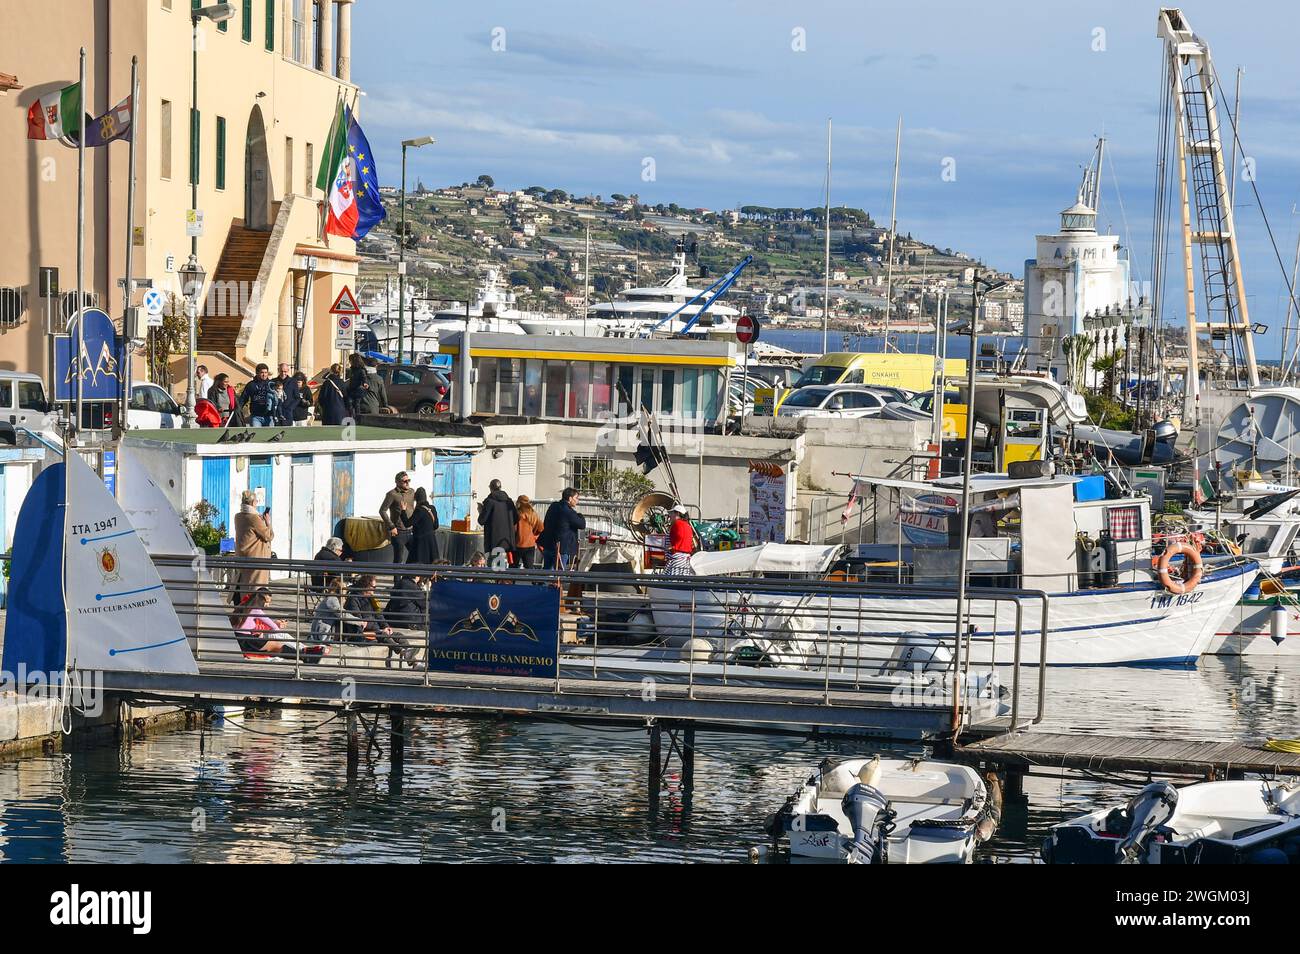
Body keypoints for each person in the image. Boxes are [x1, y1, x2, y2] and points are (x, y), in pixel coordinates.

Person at [345, 575, 417, 668]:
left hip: (375, 630)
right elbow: (360, 622)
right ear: (365, 586)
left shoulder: (370, 598)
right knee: (385, 636)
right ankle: (404, 653)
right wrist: (378, 629)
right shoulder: (353, 599)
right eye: (373, 587)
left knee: (398, 635)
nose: (374, 589)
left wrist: (386, 626)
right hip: (361, 633)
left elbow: (379, 614)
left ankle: (414, 662)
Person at [231, 587, 321, 659]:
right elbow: (274, 627)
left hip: (239, 637)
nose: (268, 605)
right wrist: (277, 626)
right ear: (260, 600)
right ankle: (304, 653)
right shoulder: (256, 610)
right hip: (246, 640)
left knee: (278, 641)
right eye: (266, 602)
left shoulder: (242, 606)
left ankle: (303, 650)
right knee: (279, 641)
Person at [233, 490, 274, 603]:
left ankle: (244, 616)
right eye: (256, 501)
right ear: (252, 503)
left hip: (243, 558)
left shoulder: (238, 516)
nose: (257, 503)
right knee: (256, 592)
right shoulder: (254, 518)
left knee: (245, 589)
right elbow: (268, 536)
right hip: (256, 560)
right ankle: (253, 617)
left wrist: (259, 520)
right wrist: (267, 522)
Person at [538, 486, 585, 570]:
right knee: (558, 573)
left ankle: (542, 582)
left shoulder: (553, 506)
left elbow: (546, 522)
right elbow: (581, 524)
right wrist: (580, 515)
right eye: (576, 498)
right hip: (561, 547)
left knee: (547, 570)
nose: (577, 500)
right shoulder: (568, 511)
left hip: (549, 543)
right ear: (570, 498)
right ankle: (551, 582)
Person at [308, 577, 363, 646]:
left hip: (322, 632)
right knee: (346, 621)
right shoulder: (332, 599)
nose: (346, 591)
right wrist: (359, 621)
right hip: (322, 634)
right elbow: (343, 615)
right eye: (345, 589)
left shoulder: (332, 598)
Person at [379, 471, 416, 564]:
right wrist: (391, 526)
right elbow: (382, 511)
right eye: (405, 481)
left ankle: (409, 577)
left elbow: (414, 508)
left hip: (411, 530)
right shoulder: (392, 494)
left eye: (409, 480)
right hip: (398, 532)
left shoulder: (412, 492)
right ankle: (397, 579)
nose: (408, 483)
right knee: (398, 559)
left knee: (416, 555)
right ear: (398, 482)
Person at [477, 478, 518, 559]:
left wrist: (481, 510)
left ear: (491, 488)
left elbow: (482, 520)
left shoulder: (489, 502)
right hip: (506, 541)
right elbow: (516, 518)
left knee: (494, 567)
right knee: (501, 566)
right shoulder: (509, 501)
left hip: (493, 541)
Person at [408, 487, 441, 564]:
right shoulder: (432, 508)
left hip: (420, 543)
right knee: (432, 566)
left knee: (414, 566)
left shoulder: (419, 510)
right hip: (432, 541)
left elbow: (408, 523)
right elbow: (436, 525)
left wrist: (403, 511)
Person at [514, 495, 544, 568]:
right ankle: (530, 579)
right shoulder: (534, 514)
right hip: (530, 544)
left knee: (513, 568)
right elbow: (541, 528)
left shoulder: (517, 514)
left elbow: (513, 529)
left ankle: (512, 579)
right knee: (529, 568)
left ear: (519, 503)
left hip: (517, 544)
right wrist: (533, 535)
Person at [665, 504, 696, 576]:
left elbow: (671, 543)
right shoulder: (688, 526)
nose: (670, 516)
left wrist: (669, 548)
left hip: (677, 559)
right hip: (686, 560)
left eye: (672, 513)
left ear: (677, 513)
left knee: (671, 581)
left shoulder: (676, 525)